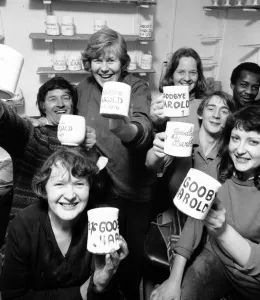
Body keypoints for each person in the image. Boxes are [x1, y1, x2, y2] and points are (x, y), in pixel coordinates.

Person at [151, 105, 260, 300]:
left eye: (253, 142)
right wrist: (174, 279)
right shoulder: (217, 169)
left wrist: (222, 231)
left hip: (256, 285)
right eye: (235, 138)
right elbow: (194, 224)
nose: (239, 150)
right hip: (216, 259)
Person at [77, 27, 155, 299]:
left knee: (131, 259)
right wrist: (81, 138)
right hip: (102, 187)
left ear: (123, 63)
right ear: (89, 62)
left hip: (136, 190)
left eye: (111, 60)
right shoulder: (83, 88)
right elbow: (77, 130)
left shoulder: (136, 86)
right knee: (104, 255)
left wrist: (123, 129)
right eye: (98, 59)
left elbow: (143, 128)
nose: (104, 67)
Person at [0, 148, 129, 299]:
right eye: (59, 184)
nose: (70, 195)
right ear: (44, 188)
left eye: (79, 184)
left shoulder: (103, 221)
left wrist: (101, 284)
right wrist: (81, 293)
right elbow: (12, 297)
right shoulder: (24, 225)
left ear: (90, 187)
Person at [0, 76, 96, 218]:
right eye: (52, 99)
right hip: (30, 228)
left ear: (73, 103)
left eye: (66, 97)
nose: (60, 104)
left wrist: (92, 151)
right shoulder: (34, 133)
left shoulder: (85, 139)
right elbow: (9, 122)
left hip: (73, 226)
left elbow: (95, 186)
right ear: (43, 105)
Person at [150, 47, 207, 131]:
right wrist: (155, 120)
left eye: (193, 72)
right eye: (181, 72)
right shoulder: (159, 103)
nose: (187, 78)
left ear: (199, 75)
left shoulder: (206, 104)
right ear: (171, 75)